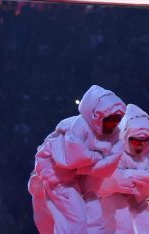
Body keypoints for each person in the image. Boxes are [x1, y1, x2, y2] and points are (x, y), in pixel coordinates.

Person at [28, 84, 126, 233]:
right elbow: (74, 158)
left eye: (117, 120)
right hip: (58, 175)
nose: (113, 124)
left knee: (94, 215)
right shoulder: (78, 126)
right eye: (109, 119)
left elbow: (109, 165)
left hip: (86, 177)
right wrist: (97, 156)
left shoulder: (115, 135)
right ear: (96, 115)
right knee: (75, 217)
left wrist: (89, 163)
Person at [99, 104, 149, 233]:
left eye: (145, 140)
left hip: (139, 193)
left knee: (147, 226)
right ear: (126, 135)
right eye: (135, 141)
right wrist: (135, 177)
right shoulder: (113, 142)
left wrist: (127, 176)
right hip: (114, 193)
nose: (141, 145)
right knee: (121, 224)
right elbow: (109, 176)